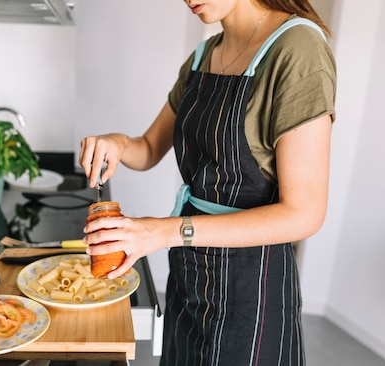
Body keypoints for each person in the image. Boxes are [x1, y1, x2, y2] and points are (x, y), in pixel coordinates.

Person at [79, 0, 336, 365]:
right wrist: (117, 143)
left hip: (252, 286)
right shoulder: (203, 55)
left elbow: (304, 214)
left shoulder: (297, 48)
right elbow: (150, 148)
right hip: (190, 273)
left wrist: (164, 232)